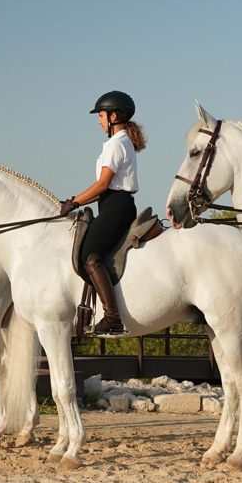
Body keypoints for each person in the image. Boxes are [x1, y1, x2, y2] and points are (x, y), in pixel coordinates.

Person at [59, 91, 146, 335]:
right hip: (112, 204)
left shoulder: (117, 144)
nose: (99, 121)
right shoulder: (119, 143)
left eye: (100, 116)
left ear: (113, 116)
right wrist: (75, 202)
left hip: (116, 207)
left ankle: (112, 317)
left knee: (89, 256)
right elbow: (102, 190)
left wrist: (74, 202)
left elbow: (103, 184)